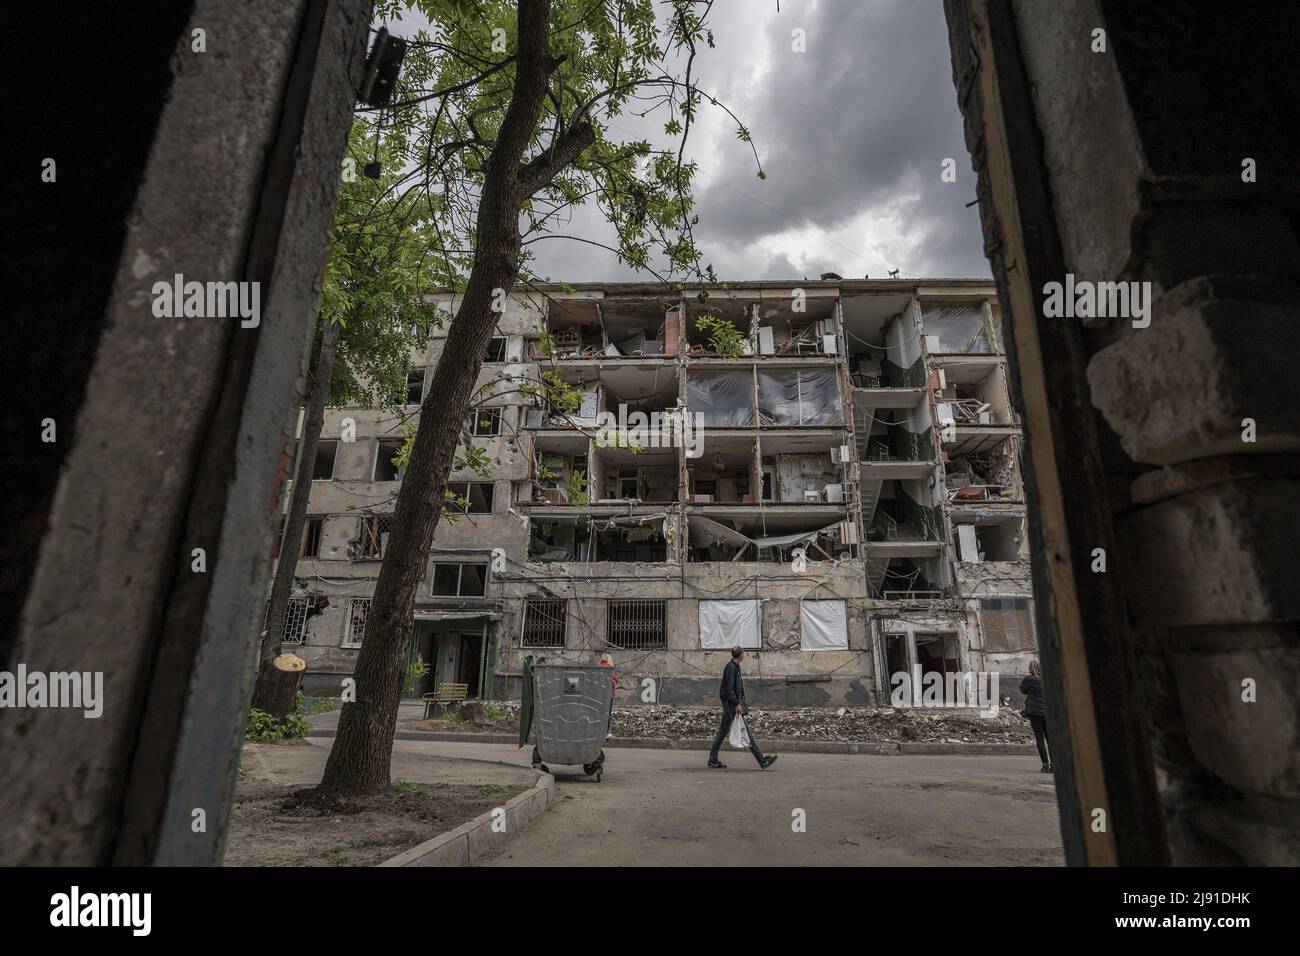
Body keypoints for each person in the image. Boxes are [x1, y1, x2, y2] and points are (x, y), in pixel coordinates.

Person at [708, 646, 777, 770]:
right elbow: (729, 689)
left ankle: (712, 759)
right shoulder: (731, 668)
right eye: (743, 653)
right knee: (746, 731)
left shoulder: (734, 667)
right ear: (740, 655)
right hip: (731, 705)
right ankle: (762, 760)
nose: (744, 655)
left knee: (723, 731)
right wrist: (736, 704)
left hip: (730, 703)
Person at [1020, 660, 1051, 773]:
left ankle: (1045, 765)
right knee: (1050, 739)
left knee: (1040, 739)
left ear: (1030, 668)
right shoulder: (1047, 678)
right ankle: (1054, 765)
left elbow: (1022, 690)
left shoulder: (1029, 679)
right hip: (1048, 711)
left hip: (1034, 712)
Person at [598, 652, 618, 739]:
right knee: (607, 713)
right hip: (608, 694)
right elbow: (615, 679)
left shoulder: (597, 667)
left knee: (599, 712)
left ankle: (597, 731)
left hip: (598, 694)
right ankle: (605, 732)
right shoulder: (609, 668)